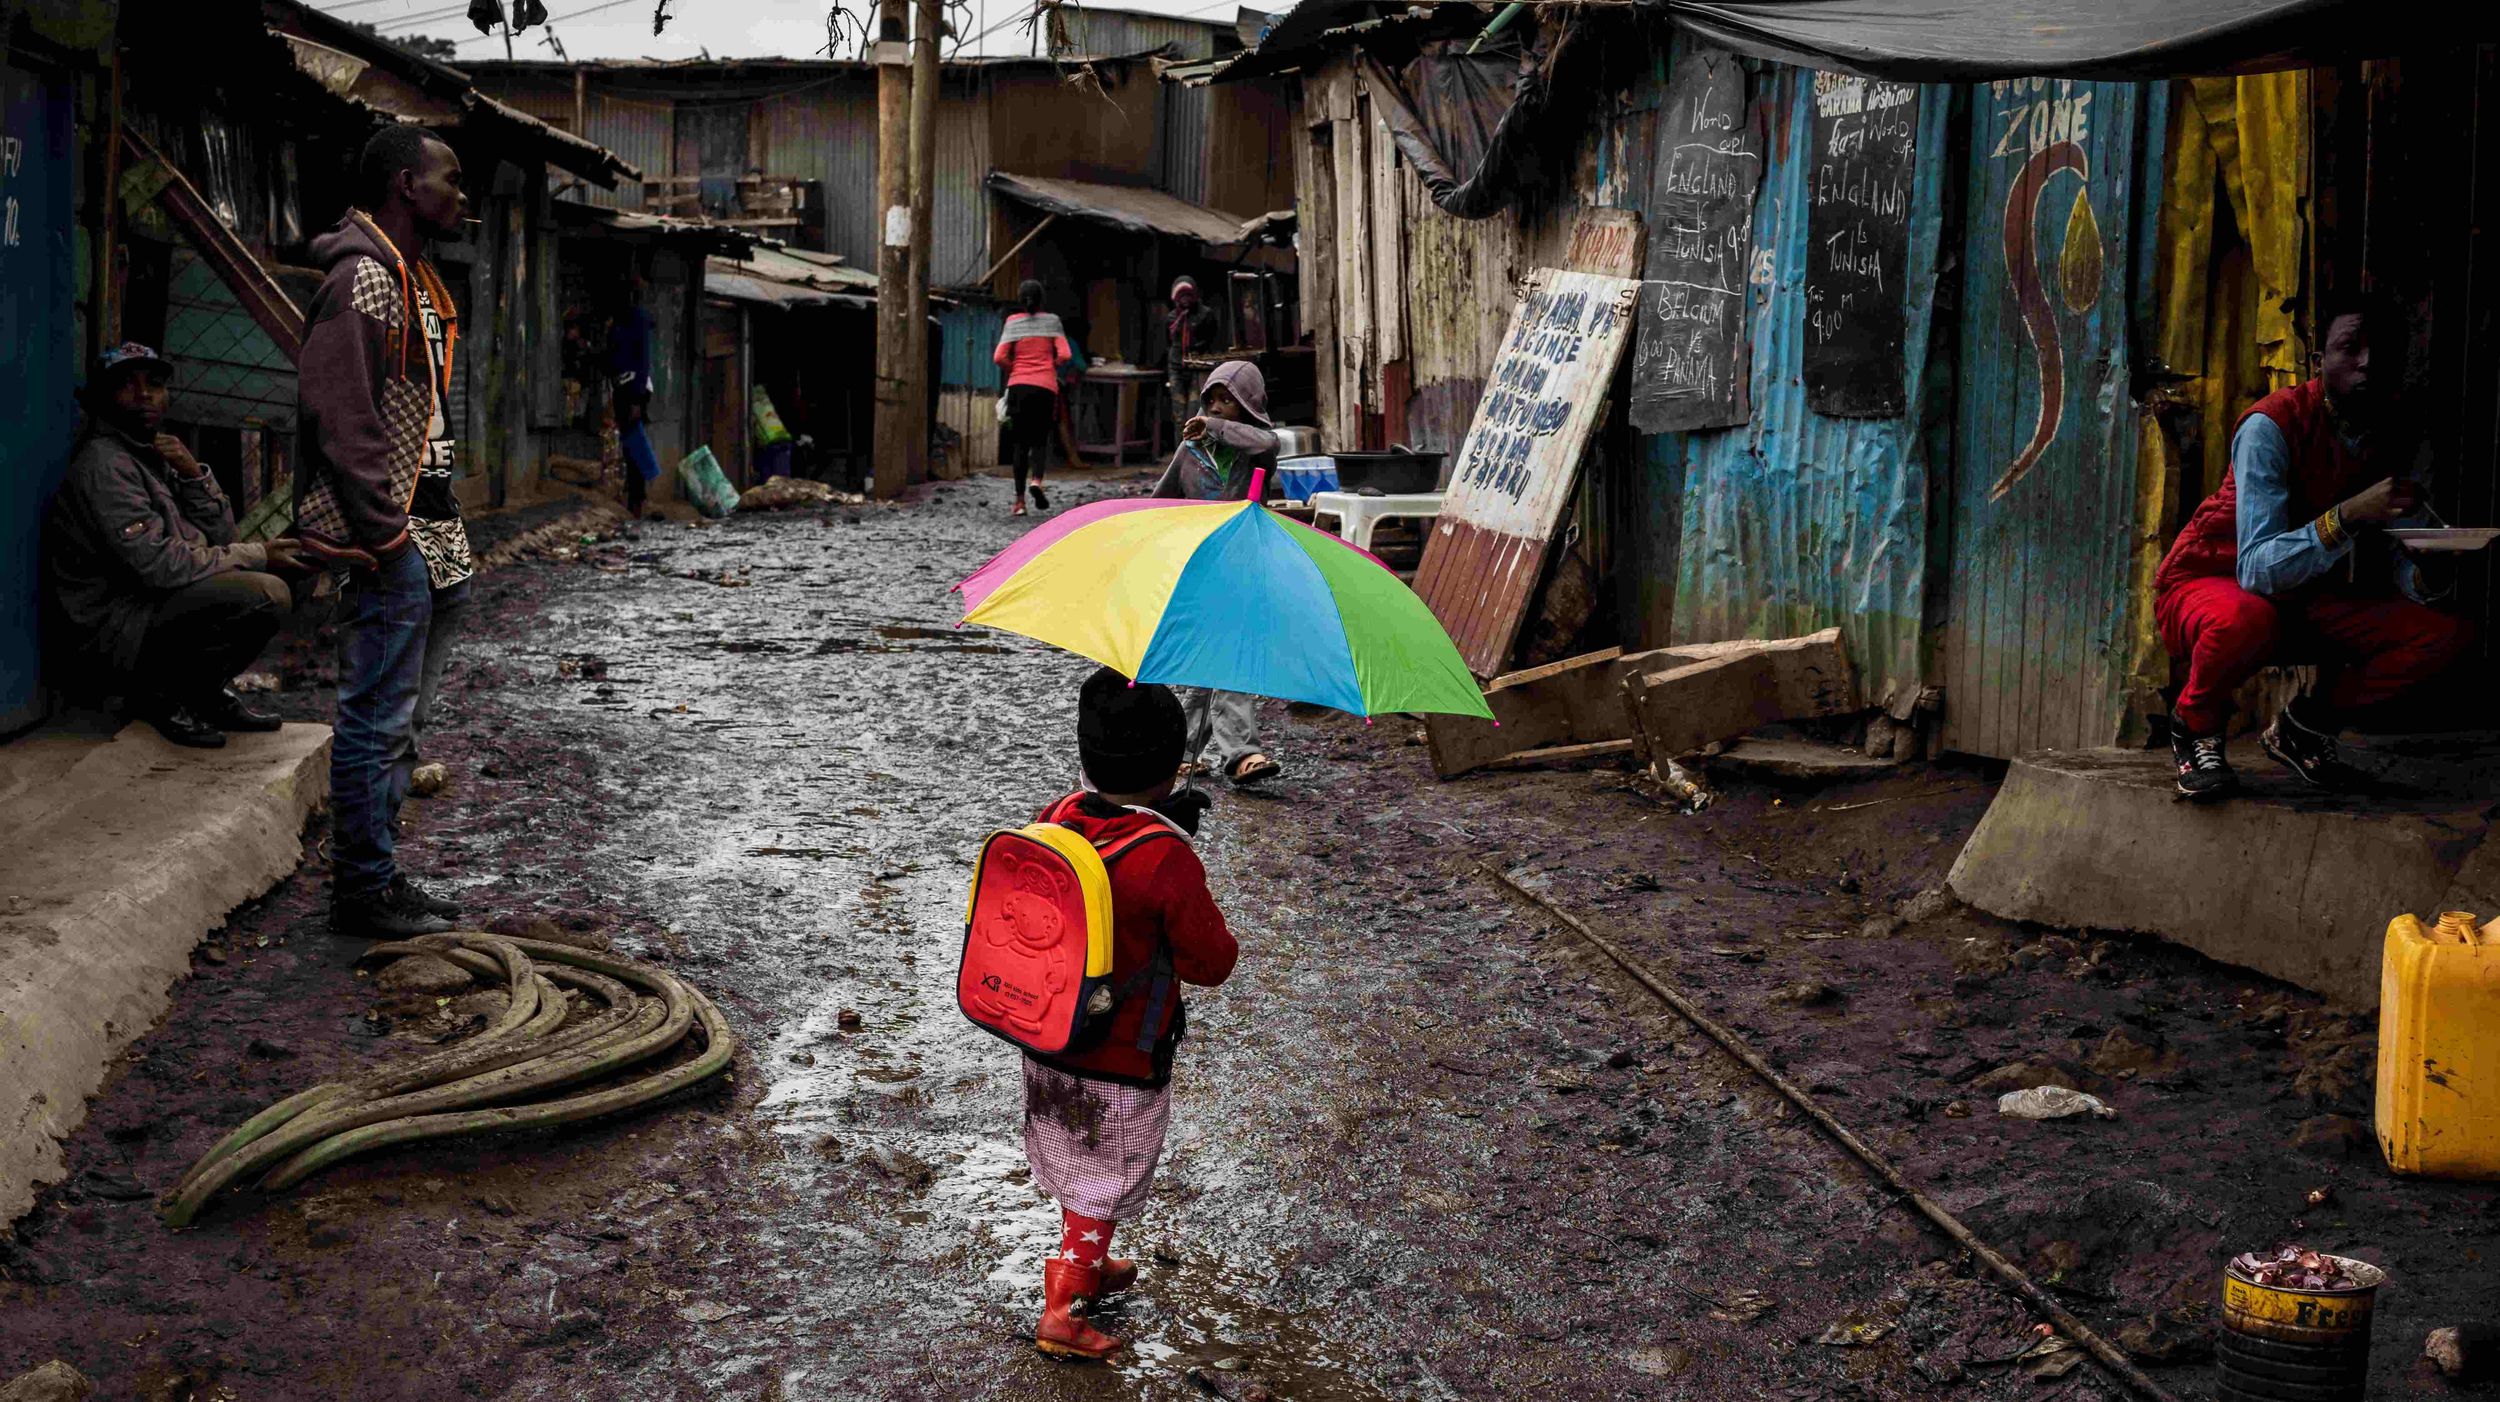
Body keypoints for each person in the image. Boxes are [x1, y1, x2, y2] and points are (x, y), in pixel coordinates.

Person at [2153, 295, 2472, 800]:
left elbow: (2397, 565)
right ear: (2320, 360)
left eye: (2383, 351)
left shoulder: (2392, 432)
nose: (2368, 362)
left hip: (2302, 595)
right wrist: (2347, 516)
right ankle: (2193, 725)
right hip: (2212, 582)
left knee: (2443, 637)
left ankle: (2305, 725)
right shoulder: (2270, 425)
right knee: (2247, 619)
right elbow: (2256, 567)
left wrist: (2427, 571)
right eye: (2351, 347)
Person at [1020, 667, 1236, 1361]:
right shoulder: (1163, 857)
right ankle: (1067, 1306)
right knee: (1106, 1169)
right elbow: (1212, 962)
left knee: (1077, 1157)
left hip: (1049, 1032)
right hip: (1122, 1053)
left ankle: (1088, 1251)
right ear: (1175, 769)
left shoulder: (1055, 817)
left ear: (1087, 756)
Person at [296, 123, 472, 939]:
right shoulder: (364, 279)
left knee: (404, 715)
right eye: (451, 180)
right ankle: (362, 889)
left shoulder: (414, 277)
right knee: (373, 712)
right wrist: (387, 533)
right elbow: (345, 414)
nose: (460, 195)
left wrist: (434, 531)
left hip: (429, 520)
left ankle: (380, 875)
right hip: (390, 530)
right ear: (407, 185)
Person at [42, 343, 306, 747]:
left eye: (155, 384)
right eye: (126, 385)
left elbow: (223, 538)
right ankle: (157, 696)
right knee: (266, 593)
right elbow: (158, 566)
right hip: (113, 628)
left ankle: (203, 693)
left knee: (288, 577)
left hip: (148, 607)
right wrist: (257, 555)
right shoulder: (105, 464)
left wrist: (193, 475)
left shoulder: (151, 456)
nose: (144, 394)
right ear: (102, 397)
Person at [1151, 359, 1283, 785]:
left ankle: (1234, 751)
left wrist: (1212, 425)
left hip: (1243, 561)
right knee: (1214, 658)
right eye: (1212, 400)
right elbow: (1163, 500)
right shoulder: (1189, 452)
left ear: (1247, 406)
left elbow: (1267, 441)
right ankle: (1192, 750)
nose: (1219, 407)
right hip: (1202, 565)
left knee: (1229, 655)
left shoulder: (1257, 445)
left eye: (1228, 400)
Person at [992, 279, 1073, 516]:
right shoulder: (1052, 322)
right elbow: (1066, 354)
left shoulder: (1012, 323)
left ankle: (1019, 503)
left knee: (1019, 444)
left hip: (1018, 386)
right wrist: (1050, 365)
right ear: (1042, 299)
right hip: (1045, 388)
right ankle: (1036, 482)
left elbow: (999, 357)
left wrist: (1015, 368)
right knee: (1039, 440)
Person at [610, 274, 660, 518]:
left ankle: (638, 499)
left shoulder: (637, 319)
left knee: (634, 442)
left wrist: (638, 400)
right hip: (622, 387)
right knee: (630, 441)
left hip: (635, 389)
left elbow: (643, 361)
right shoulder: (618, 322)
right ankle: (635, 496)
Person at [1163, 274, 1223, 442]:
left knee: (1195, 413)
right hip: (1176, 368)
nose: (1185, 299)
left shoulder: (1205, 315)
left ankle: (1197, 456)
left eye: (1188, 295)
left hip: (1198, 369)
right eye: (1181, 296)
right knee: (1178, 415)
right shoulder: (1172, 318)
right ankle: (1180, 456)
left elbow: (1213, 339)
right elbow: (1168, 342)